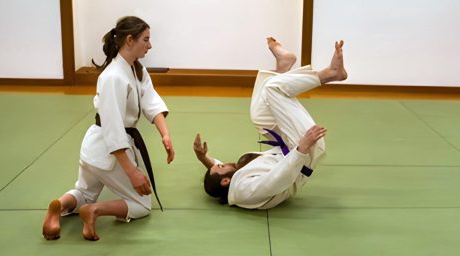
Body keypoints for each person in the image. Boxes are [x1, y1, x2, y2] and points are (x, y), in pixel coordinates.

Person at [42, 16, 174, 241]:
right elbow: (113, 129)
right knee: (141, 204)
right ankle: (94, 211)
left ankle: (59, 206)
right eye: (146, 39)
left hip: (94, 148)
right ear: (130, 40)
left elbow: (151, 100)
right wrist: (132, 172)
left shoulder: (136, 69)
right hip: (109, 149)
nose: (150, 45)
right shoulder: (113, 77)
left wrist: (165, 134)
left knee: (84, 193)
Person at [194, 37, 347, 209]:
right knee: (272, 89)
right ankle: (331, 73)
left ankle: (283, 66)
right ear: (225, 181)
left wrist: (203, 158)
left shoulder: (235, 184)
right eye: (220, 166)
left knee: (259, 116)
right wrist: (302, 147)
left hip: (291, 148)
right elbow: (277, 180)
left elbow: (218, 170)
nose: (221, 163)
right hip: (304, 151)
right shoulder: (244, 191)